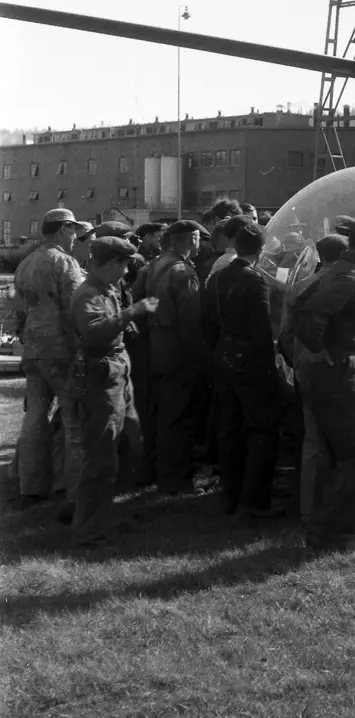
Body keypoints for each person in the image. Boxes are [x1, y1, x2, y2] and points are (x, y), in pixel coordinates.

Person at [292, 216, 355, 556]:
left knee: (340, 455)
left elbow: (301, 307)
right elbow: (308, 315)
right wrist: (326, 353)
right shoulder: (349, 277)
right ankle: (334, 533)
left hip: (335, 372)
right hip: (340, 374)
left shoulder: (345, 272)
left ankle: (325, 531)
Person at [67, 236, 158, 553]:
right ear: (109, 263)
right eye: (122, 265)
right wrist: (132, 313)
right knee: (101, 458)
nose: (125, 273)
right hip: (101, 380)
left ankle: (102, 514)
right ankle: (88, 532)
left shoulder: (109, 289)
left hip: (120, 374)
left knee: (131, 443)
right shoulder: (87, 295)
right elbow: (93, 334)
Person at [208, 222, 285, 519]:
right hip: (251, 360)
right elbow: (262, 329)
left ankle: (230, 496)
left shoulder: (218, 277)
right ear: (262, 250)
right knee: (261, 431)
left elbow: (208, 320)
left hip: (223, 355)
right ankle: (253, 501)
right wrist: (270, 369)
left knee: (229, 429)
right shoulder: (255, 280)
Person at [14, 208, 87, 514]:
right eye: (72, 231)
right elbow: (76, 308)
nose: (75, 237)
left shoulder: (25, 263)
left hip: (33, 348)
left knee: (35, 417)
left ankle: (31, 485)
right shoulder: (64, 262)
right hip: (61, 350)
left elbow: (18, 311)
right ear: (61, 230)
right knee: (73, 419)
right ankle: (75, 488)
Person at [132, 219, 211, 494]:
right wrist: (199, 357)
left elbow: (137, 300)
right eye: (200, 238)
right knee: (179, 415)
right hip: (178, 347)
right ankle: (175, 480)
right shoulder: (184, 272)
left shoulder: (154, 265)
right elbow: (191, 321)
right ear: (191, 239)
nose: (202, 243)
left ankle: (152, 470)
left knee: (161, 411)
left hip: (156, 343)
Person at [277, 233, 348, 526]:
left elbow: (285, 335)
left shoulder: (299, 287)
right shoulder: (350, 284)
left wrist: (299, 361)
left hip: (307, 368)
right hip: (343, 369)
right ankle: (339, 507)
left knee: (313, 440)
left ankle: (309, 509)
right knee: (345, 441)